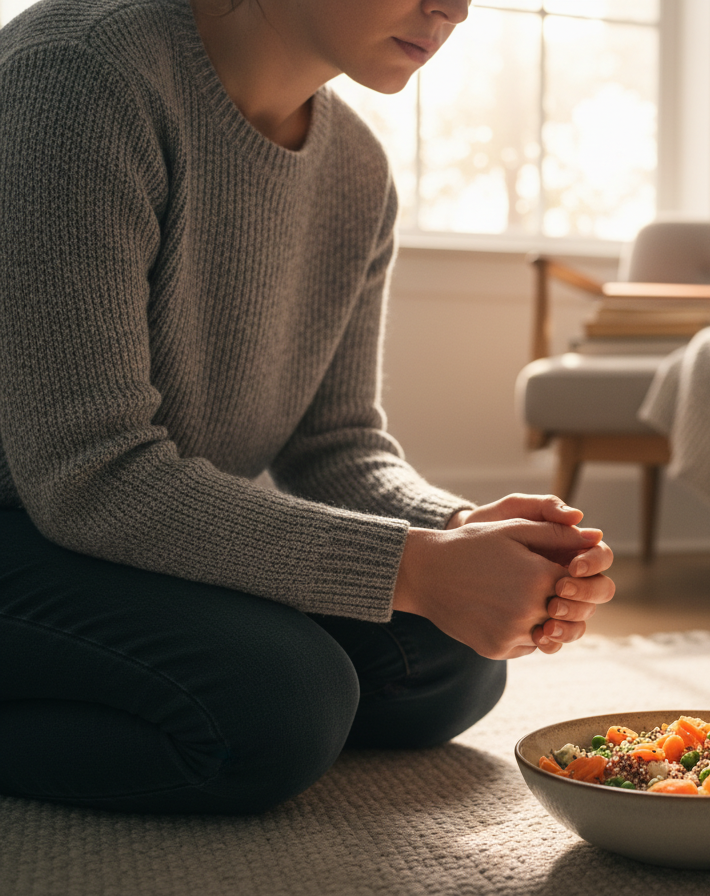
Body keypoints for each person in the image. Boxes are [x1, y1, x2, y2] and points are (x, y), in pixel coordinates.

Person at [0, 0, 615, 815]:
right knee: (282, 703)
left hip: (117, 532)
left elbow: (336, 444)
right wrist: (415, 567)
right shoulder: (80, 76)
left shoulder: (356, 166)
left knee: (451, 663)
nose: (456, 10)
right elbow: (90, 474)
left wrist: (459, 532)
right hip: (38, 516)